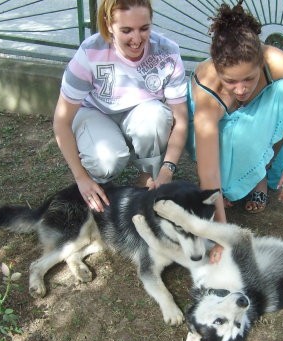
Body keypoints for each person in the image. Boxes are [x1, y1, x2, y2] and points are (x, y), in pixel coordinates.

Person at [188, 0, 283, 227]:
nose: (241, 89)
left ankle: (259, 176)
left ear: (261, 62)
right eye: (231, 81)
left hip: (254, 122)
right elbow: (207, 168)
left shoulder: (274, 60)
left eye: (249, 78)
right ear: (217, 68)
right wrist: (220, 229)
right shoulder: (208, 94)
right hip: (218, 131)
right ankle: (229, 183)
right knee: (219, 180)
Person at [53, 0, 188, 212]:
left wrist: (167, 170)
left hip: (140, 114)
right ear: (108, 25)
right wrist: (80, 178)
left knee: (156, 116)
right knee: (106, 160)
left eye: (144, 28)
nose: (137, 39)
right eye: (126, 30)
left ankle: (148, 178)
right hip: (95, 113)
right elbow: (61, 121)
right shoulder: (90, 52)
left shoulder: (167, 53)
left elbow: (180, 119)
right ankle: (98, 184)